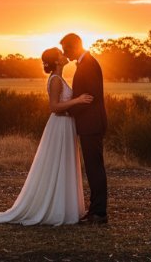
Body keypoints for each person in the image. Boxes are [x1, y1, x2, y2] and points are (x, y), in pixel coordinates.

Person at [0, 47, 93, 225]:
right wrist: (78, 100)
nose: (65, 55)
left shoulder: (59, 78)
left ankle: (63, 206)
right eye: (61, 53)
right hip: (60, 125)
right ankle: (54, 208)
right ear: (57, 61)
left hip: (66, 125)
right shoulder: (56, 80)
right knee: (57, 164)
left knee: (62, 165)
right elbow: (54, 107)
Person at [60, 32, 108, 224]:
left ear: (75, 46)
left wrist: (69, 111)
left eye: (66, 49)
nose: (65, 54)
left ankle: (99, 213)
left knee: (94, 168)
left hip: (92, 124)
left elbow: (90, 97)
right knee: (92, 168)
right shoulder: (85, 63)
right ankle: (95, 210)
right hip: (89, 124)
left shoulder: (88, 64)